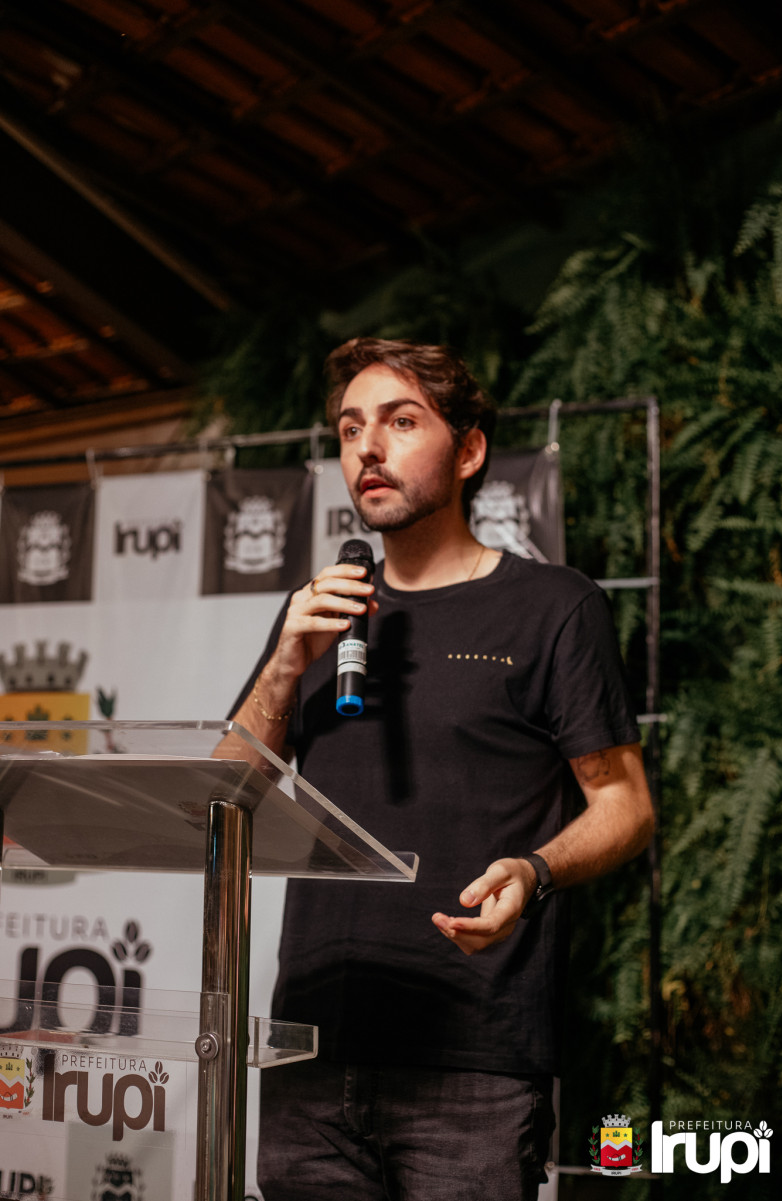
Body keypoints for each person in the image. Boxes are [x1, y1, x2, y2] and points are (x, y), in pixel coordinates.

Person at [228, 338, 654, 1201]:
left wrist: (534, 871)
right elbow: (223, 800)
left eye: (400, 422)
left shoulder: (553, 606)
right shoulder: (320, 611)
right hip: (312, 1047)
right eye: (351, 429)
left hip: (471, 1055)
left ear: (468, 451)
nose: (368, 448)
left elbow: (627, 805)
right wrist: (283, 667)